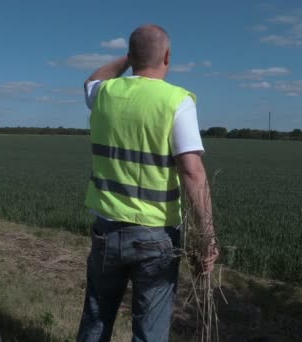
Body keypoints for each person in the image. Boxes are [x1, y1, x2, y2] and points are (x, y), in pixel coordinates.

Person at [77, 24, 218, 342]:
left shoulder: (105, 93)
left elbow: (91, 80)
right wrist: (206, 236)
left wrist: (128, 59)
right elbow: (192, 172)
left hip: (106, 230)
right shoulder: (176, 100)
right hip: (156, 236)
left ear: (131, 56)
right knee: (150, 329)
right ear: (167, 55)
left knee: (96, 317)